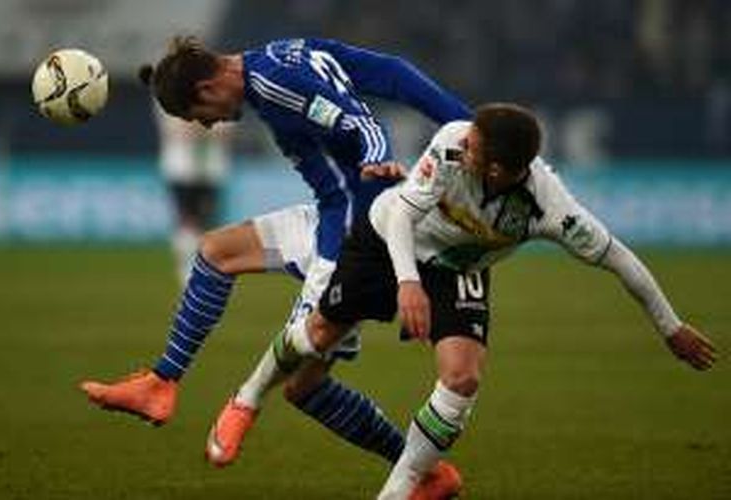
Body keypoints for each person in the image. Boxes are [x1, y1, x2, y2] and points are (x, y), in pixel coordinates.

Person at [247, 103, 717, 499]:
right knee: (318, 335)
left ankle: (400, 489)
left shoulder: (550, 210)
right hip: (388, 234)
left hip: (457, 268)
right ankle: (247, 397)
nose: (462, 140)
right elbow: (404, 218)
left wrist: (670, 327)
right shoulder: (452, 141)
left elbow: (617, 258)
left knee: (462, 377)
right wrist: (408, 284)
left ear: (495, 168)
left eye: (474, 143)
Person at [79, 36, 472, 497]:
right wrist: (466, 122)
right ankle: (162, 382)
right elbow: (389, 70)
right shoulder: (281, 55)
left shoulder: (278, 82)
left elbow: (362, 125)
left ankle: (421, 473)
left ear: (207, 88)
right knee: (215, 253)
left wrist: (377, 159)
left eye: (196, 117)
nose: (205, 126)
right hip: (333, 214)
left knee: (303, 382)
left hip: (354, 234)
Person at [154, 102, 232, 284]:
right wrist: (206, 126)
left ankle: (204, 269)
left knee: (206, 223)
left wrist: (200, 127)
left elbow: (225, 132)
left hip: (212, 170)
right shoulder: (168, 88)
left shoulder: (218, 92)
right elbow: (176, 130)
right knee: (186, 219)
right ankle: (186, 270)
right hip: (181, 168)